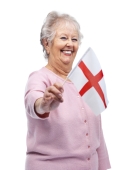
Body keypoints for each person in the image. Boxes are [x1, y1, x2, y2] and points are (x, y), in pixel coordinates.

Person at [24, 11, 111, 170]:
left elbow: (97, 135)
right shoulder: (39, 78)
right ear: (47, 44)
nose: (70, 44)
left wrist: (104, 166)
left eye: (74, 39)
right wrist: (44, 104)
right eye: (63, 38)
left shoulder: (85, 81)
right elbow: (33, 103)